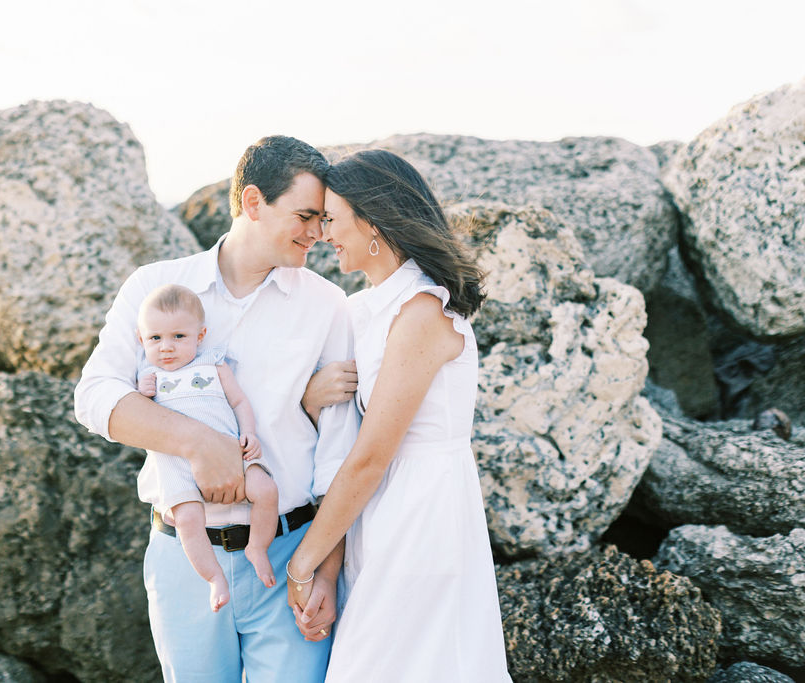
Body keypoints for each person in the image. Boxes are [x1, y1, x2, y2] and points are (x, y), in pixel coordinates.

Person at [73, 135, 359, 683]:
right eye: (305, 215)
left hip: (291, 556)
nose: (319, 234)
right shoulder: (155, 287)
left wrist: (326, 574)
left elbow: (339, 454)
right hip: (185, 556)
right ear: (253, 203)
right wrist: (198, 444)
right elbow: (94, 396)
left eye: (324, 219)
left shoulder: (327, 305)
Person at [286, 149, 512, 681]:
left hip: (422, 516)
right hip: (382, 513)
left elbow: (370, 456)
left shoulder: (422, 311)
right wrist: (310, 398)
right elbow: (346, 440)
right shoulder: (368, 307)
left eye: (332, 219)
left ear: (372, 221)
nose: (322, 233)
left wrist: (303, 564)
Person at [134, 283, 278, 612]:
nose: (166, 347)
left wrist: (249, 433)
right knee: (186, 519)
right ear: (142, 340)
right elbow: (140, 419)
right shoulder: (149, 376)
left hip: (230, 450)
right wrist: (142, 392)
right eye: (155, 338)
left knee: (266, 490)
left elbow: (240, 401)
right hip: (176, 465)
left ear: (201, 335)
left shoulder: (214, 365)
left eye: (178, 337)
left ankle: (258, 547)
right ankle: (213, 577)